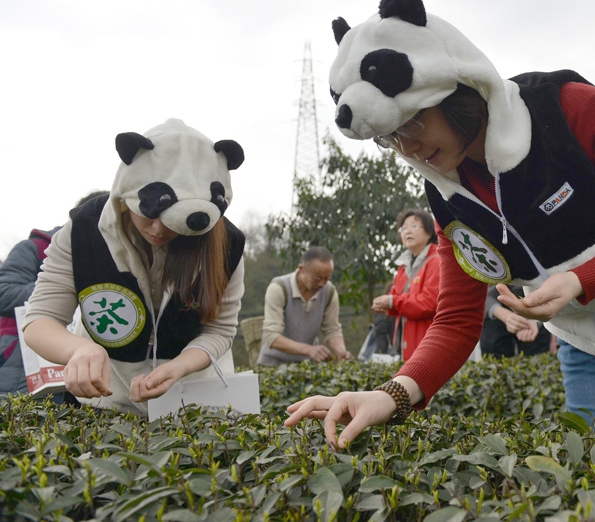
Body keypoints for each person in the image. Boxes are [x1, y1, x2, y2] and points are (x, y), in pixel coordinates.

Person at [285, 0, 595, 447]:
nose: (408, 148)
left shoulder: (568, 109)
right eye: (390, 137)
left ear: (452, 88)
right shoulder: (447, 196)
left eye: (411, 123)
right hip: (593, 349)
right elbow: (457, 319)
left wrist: (581, 279)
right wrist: (391, 394)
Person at [21, 119, 246, 414]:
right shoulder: (82, 231)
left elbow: (220, 330)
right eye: (148, 214)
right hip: (104, 404)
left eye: (171, 220)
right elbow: (40, 320)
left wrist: (180, 365)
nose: (157, 230)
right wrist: (79, 349)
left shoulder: (226, 244)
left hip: (191, 406)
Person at [0, 191, 106, 397]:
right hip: (19, 366)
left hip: (77, 373)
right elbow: (4, 292)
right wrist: (62, 288)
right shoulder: (35, 248)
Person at [257, 247, 353, 366]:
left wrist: (341, 352)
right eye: (317, 278)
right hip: (272, 365)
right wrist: (309, 349)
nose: (322, 283)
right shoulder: (279, 288)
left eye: (327, 278)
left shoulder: (329, 292)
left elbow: (332, 330)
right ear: (302, 269)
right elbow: (271, 336)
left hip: (307, 367)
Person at [371, 209, 440, 360]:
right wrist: (386, 306)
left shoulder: (436, 261)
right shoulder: (402, 266)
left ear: (429, 232)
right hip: (405, 344)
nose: (407, 231)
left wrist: (392, 302)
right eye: (403, 228)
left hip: (427, 342)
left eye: (414, 226)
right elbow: (396, 298)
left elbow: (429, 302)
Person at [480, 285, 554, 358]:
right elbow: (475, 291)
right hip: (493, 311)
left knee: (536, 360)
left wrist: (536, 318)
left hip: (536, 308)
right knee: (495, 360)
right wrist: (503, 315)